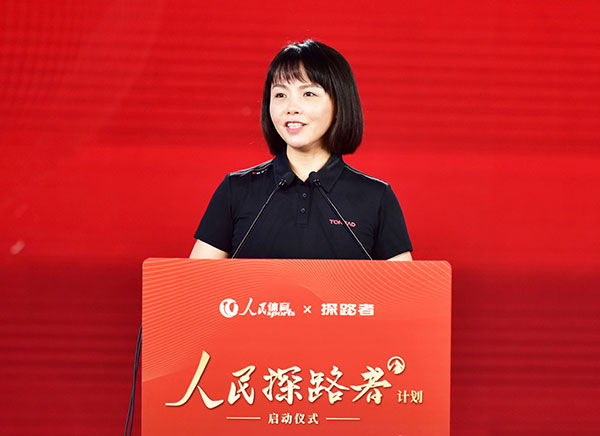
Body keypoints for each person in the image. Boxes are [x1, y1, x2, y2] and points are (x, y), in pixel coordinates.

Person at [190, 40, 412, 261]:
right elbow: (195, 280)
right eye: (280, 95)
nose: (291, 108)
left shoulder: (376, 197)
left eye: (308, 94)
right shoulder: (236, 189)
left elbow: (403, 283)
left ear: (339, 103)